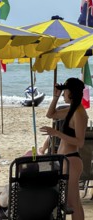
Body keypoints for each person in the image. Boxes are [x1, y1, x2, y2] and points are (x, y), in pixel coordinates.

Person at [40, 77, 87, 220]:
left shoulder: (79, 112)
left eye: (65, 91)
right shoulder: (71, 109)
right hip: (65, 160)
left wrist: (56, 133)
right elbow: (51, 114)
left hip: (72, 160)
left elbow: (80, 142)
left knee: (73, 203)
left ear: (71, 92)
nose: (64, 93)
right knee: (72, 202)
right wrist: (55, 97)